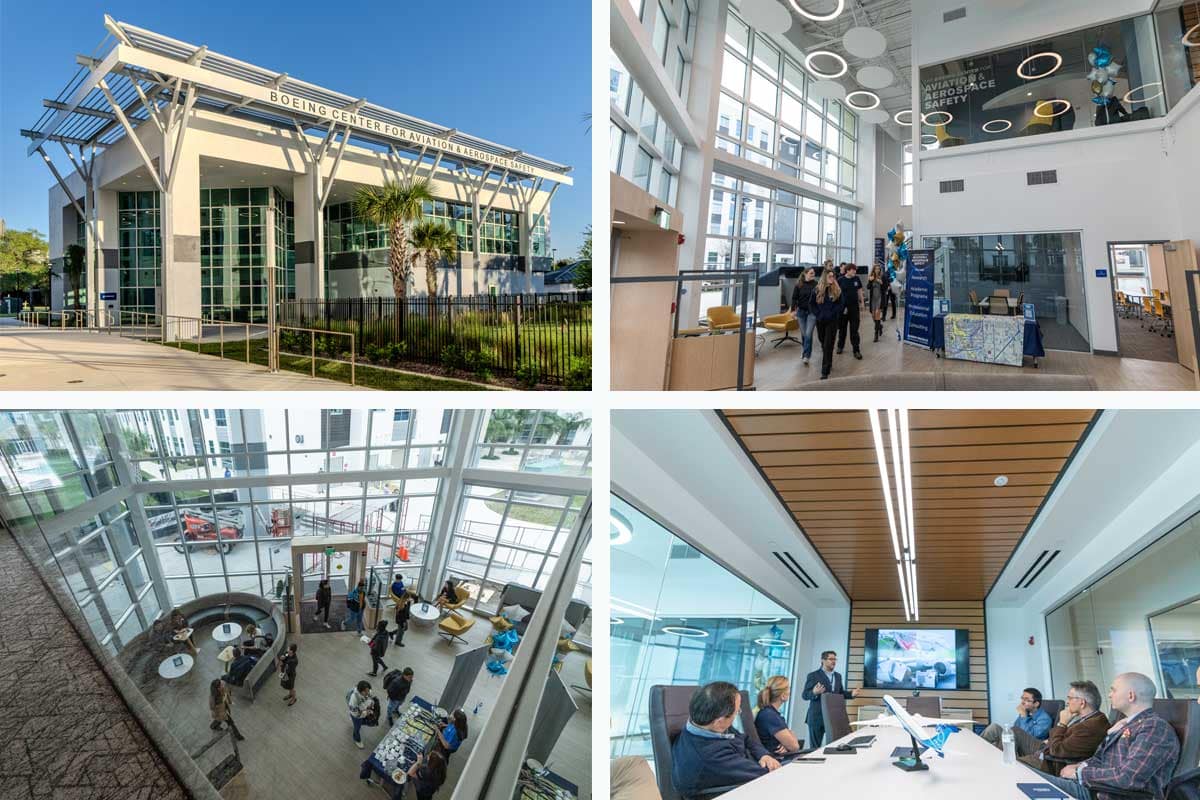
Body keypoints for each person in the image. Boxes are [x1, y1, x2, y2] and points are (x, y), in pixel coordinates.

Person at [1040, 672, 1180, 800]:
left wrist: (1079, 773)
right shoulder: (1126, 725)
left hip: (1104, 795)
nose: (1109, 695)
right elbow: (1101, 759)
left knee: (1034, 784)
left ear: (1130, 696)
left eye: (1113, 690)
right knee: (1030, 781)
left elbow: (1128, 777)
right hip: (1094, 788)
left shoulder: (1154, 728)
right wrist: (1080, 765)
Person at [670, 681, 780, 798]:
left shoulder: (706, 724)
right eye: (737, 712)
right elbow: (766, 775)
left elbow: (745, 738)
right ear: (719, 722)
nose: (738, 714)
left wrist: (764, 755)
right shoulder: (711, 756)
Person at [1019, 680, 1108, 774]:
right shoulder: (1090, 719)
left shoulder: (1090, 727)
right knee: (1015, 733)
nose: (1067, 702)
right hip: (1047, 749)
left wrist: (1062, 724)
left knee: (1014, 764)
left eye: (1070, 698)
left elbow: (1056, 751)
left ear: (1082, 703)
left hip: (1050, 764)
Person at [801, 650, 859, 747]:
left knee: (834, 746)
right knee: (815, 748)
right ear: (823, 660)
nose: (834, 661)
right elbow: (805, 695)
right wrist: (814, 692)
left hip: (833, 717)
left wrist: (851, 694)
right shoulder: (813, 675)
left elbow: (839, 693)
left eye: (835, 659)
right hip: (817, 717)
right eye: (831, 659)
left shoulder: (838, 676)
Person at [981, 687, 1053, 756]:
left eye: (1027, 700)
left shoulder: (1045, 719)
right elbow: (1015, 728)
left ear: (1036, 704)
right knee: (994, 728)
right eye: (1022, 699)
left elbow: (1027, 736)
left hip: (1029, 747)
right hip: (1016, 740)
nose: (1022, 702)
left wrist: (1023, 716)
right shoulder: (1026, 712)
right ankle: (977, 749)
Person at [755, 676, 803, 755]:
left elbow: (790, 743)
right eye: (788, 688)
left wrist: (786, 744)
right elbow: (795, 746)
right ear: (783, 696)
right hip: (777, 760)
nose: (790, 691)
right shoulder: (770, 716)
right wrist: (790, 736)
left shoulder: (769, 713)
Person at [812, 269, 844, 381]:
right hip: (820, 321)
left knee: (827, 345)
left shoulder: (837, 289)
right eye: (830, 276)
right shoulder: (817, 289)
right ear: (825, 277)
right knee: (823, 343)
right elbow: (811, 305)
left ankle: (824, 371)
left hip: (832, 321)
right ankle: (828, 361)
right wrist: (818, 314)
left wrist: (833, 313)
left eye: (833, 276)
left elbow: (841, 304)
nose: (832, 278)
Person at [788, 267, 819, 367]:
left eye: (814, 273)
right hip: (801, 313)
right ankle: (805, 350)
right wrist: (793, 311)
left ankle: (806, 355)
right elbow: (794, 298)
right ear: (805, 274)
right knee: (804, 334)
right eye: (811, 273)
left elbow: (819, 297)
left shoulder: (816, 284)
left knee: (808, 334)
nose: (813, 275)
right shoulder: (799, 284)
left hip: (812, 313)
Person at [836, 263, 864, 359]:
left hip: (854, 308)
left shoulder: (856, 279)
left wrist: (862, 302)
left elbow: (859, 291)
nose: (855, 272)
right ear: (847, 271)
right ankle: (840, 346)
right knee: (842, 329)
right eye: (853, 270)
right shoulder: (840, 280)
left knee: (854, 330)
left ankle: (856, 350)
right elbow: (836, 293)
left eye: (855, 270)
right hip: (843, 309)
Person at [347, 680, 373, 749]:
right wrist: (366, 713)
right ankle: (357, 739)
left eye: (369, 690)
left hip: (362, 709)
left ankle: (353, 720)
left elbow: (369, 697)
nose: (368, 693)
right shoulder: (354, 699)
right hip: (356, 714)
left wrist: (370, 704)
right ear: (360, 691)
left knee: (358, 722)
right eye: (366, 691)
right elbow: (356, 713)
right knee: (357, 728)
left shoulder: (367, 692)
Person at [866, 265, 886, 342]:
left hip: (880, 299)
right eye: (876, 269)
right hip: (873, 299)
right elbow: (868, 287)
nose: (877, 270)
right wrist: (870, 281)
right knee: (873, 316)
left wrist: (881, 283)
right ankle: (880, 326)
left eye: (878, 269)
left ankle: (876, 334)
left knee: (877, 315)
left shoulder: (882, 277)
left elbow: (885, 287)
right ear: (873, 270)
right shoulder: (871, 276)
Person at [278, 642, 298, 707]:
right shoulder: (288, 654)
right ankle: (290, 695)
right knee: (289, 687)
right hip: (285, 673)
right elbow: (284, 656)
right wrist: (282, 658)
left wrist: (282, 662)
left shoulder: (294, 660)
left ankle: (294, 698)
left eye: (288, 649)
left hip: (290, 675)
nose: (287, 649)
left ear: (291, 651)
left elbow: (288, 668)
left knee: (291, 687)